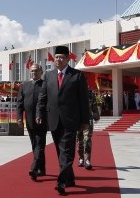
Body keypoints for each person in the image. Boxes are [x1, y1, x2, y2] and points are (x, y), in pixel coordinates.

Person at [36, 45, 90, 195]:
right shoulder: (48, 76)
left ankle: (61, 182)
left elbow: (83, 100)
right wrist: (39, 113)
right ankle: (70, 178)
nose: (58, 59)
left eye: (62, 57)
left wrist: (85, 120)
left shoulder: (77, 76)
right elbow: (43, 97)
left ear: (68, 59)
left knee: (66, 150)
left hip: (71, 120)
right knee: (60, 152)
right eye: (56, 57)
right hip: (53, 119)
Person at [17, 63, 47, 181]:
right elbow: (20, 103)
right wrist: (19, 117)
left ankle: (34, 168)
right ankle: (42, 169)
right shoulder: (24, 85)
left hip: (42, 120)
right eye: (32, 71)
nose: (34, 73)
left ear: (41, 72)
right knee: (35, 144)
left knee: (39, 143)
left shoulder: (45, 85)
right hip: (29, 120)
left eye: (36, 71)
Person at [76, 90, 100, 170]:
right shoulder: (75, 92)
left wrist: (96, 116)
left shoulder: (90, 94)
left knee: (87, 140)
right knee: (80, 140)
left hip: (88, 120)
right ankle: (81, 158)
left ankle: (87, 160)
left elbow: (94, 106)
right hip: (78, 121)